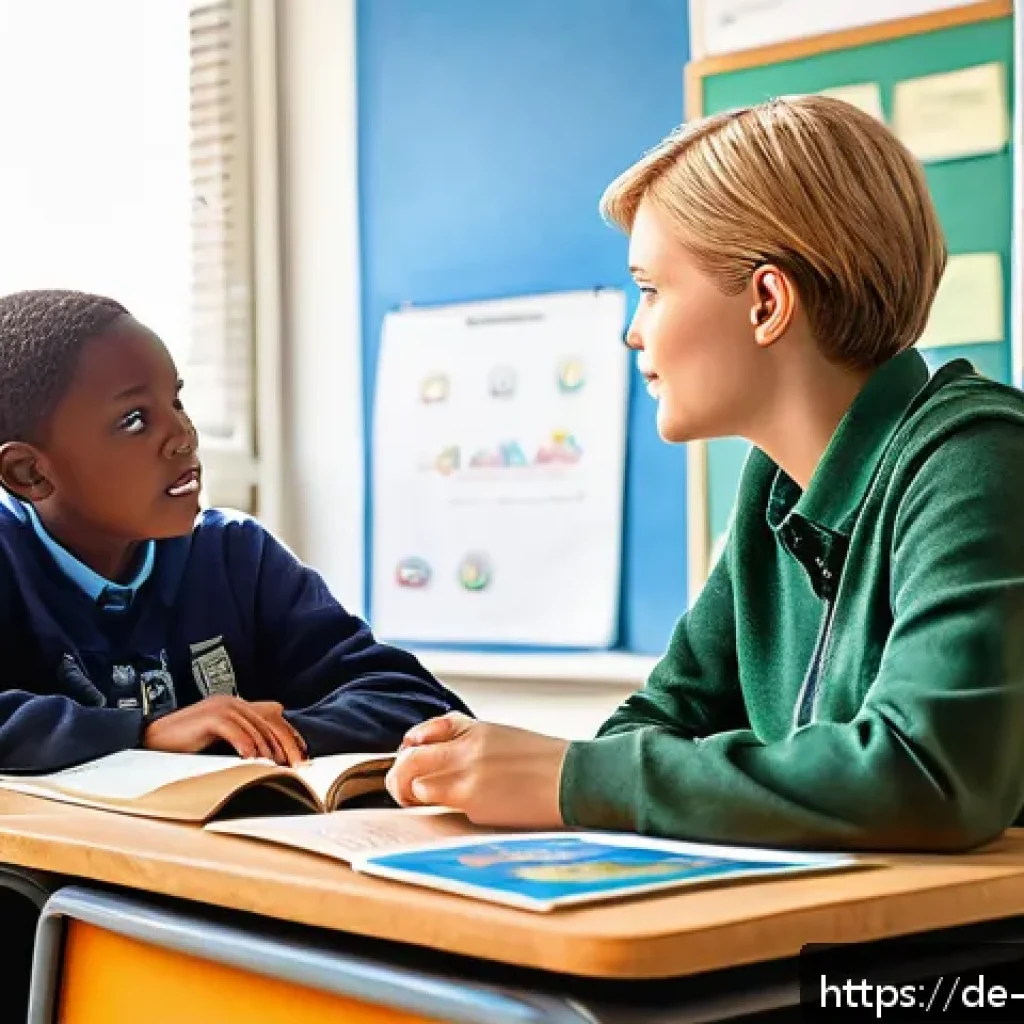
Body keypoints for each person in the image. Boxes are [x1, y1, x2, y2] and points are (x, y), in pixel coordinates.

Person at [385, 96, 1024, 852]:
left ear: (765, 301)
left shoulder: (978, 459)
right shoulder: (777, 488)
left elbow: (925, 773)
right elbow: (656, 725)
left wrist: (567, 778)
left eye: (651, 289)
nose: (631, 329)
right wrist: (549, 771)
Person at [0, 289, 471, 773]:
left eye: (177, 401)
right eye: (135, 420)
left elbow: (418, 704)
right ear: (28, 473)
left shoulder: (235, 556)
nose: (184, 435)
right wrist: (143, 734)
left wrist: (252, 737)